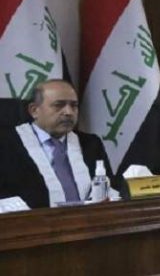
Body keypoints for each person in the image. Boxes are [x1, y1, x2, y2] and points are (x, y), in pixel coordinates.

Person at [0, 79, 115, 208]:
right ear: (34, 110)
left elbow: (111, 189)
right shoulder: (5, 145)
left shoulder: (90, 144)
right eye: (59, 105)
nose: (68, 112)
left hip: (90, 219)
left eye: (74, 105)